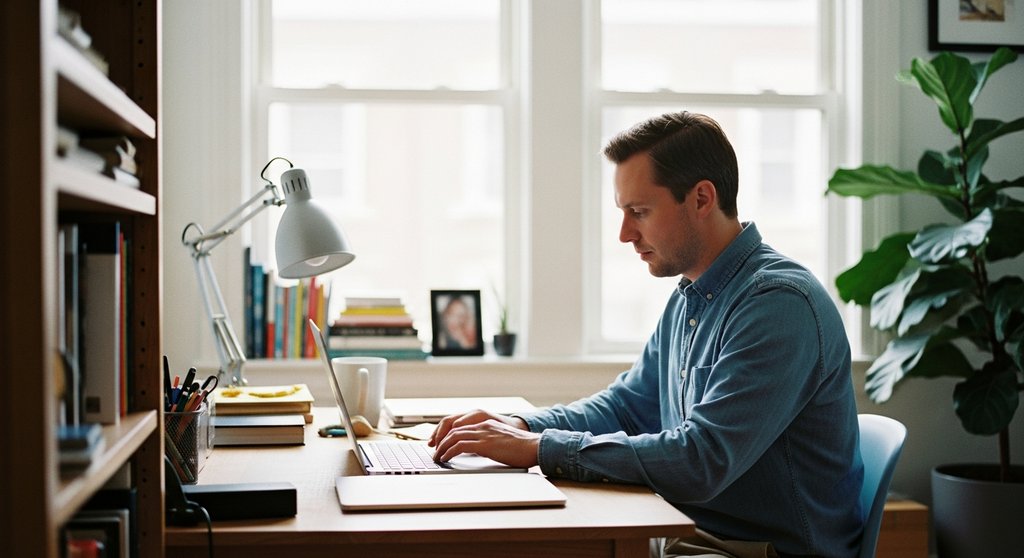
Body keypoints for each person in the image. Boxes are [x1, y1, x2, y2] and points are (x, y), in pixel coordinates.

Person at [429, 111, 864, 558]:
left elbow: (702, 459)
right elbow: (627, 407)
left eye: (639, 212)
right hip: (688, 533)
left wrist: (539, 448)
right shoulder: (692, 294)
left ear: (701, 198)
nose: (624, 234)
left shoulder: (777, 304)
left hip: (755, 551)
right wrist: (519, 427)